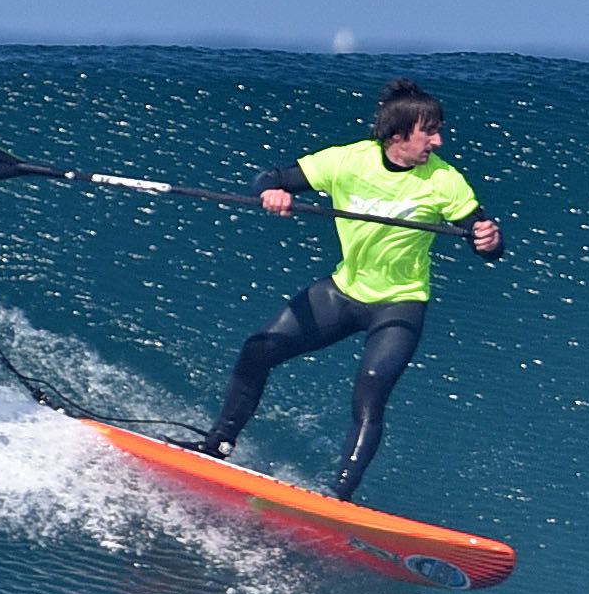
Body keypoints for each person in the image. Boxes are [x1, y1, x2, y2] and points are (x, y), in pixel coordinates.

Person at [178, 80, 502, 499]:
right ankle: (216, 445)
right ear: (398, 135)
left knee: (371, 387)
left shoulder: (445, 181)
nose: (437, 142)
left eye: (439, 131)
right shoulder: (348, 161)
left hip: (399, 303)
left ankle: (339, 498)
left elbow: (482, 235)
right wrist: (271, 192)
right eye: (430, 132)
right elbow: (271, 176)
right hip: (343, 291)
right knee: (259, 349)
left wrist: (488, 240)